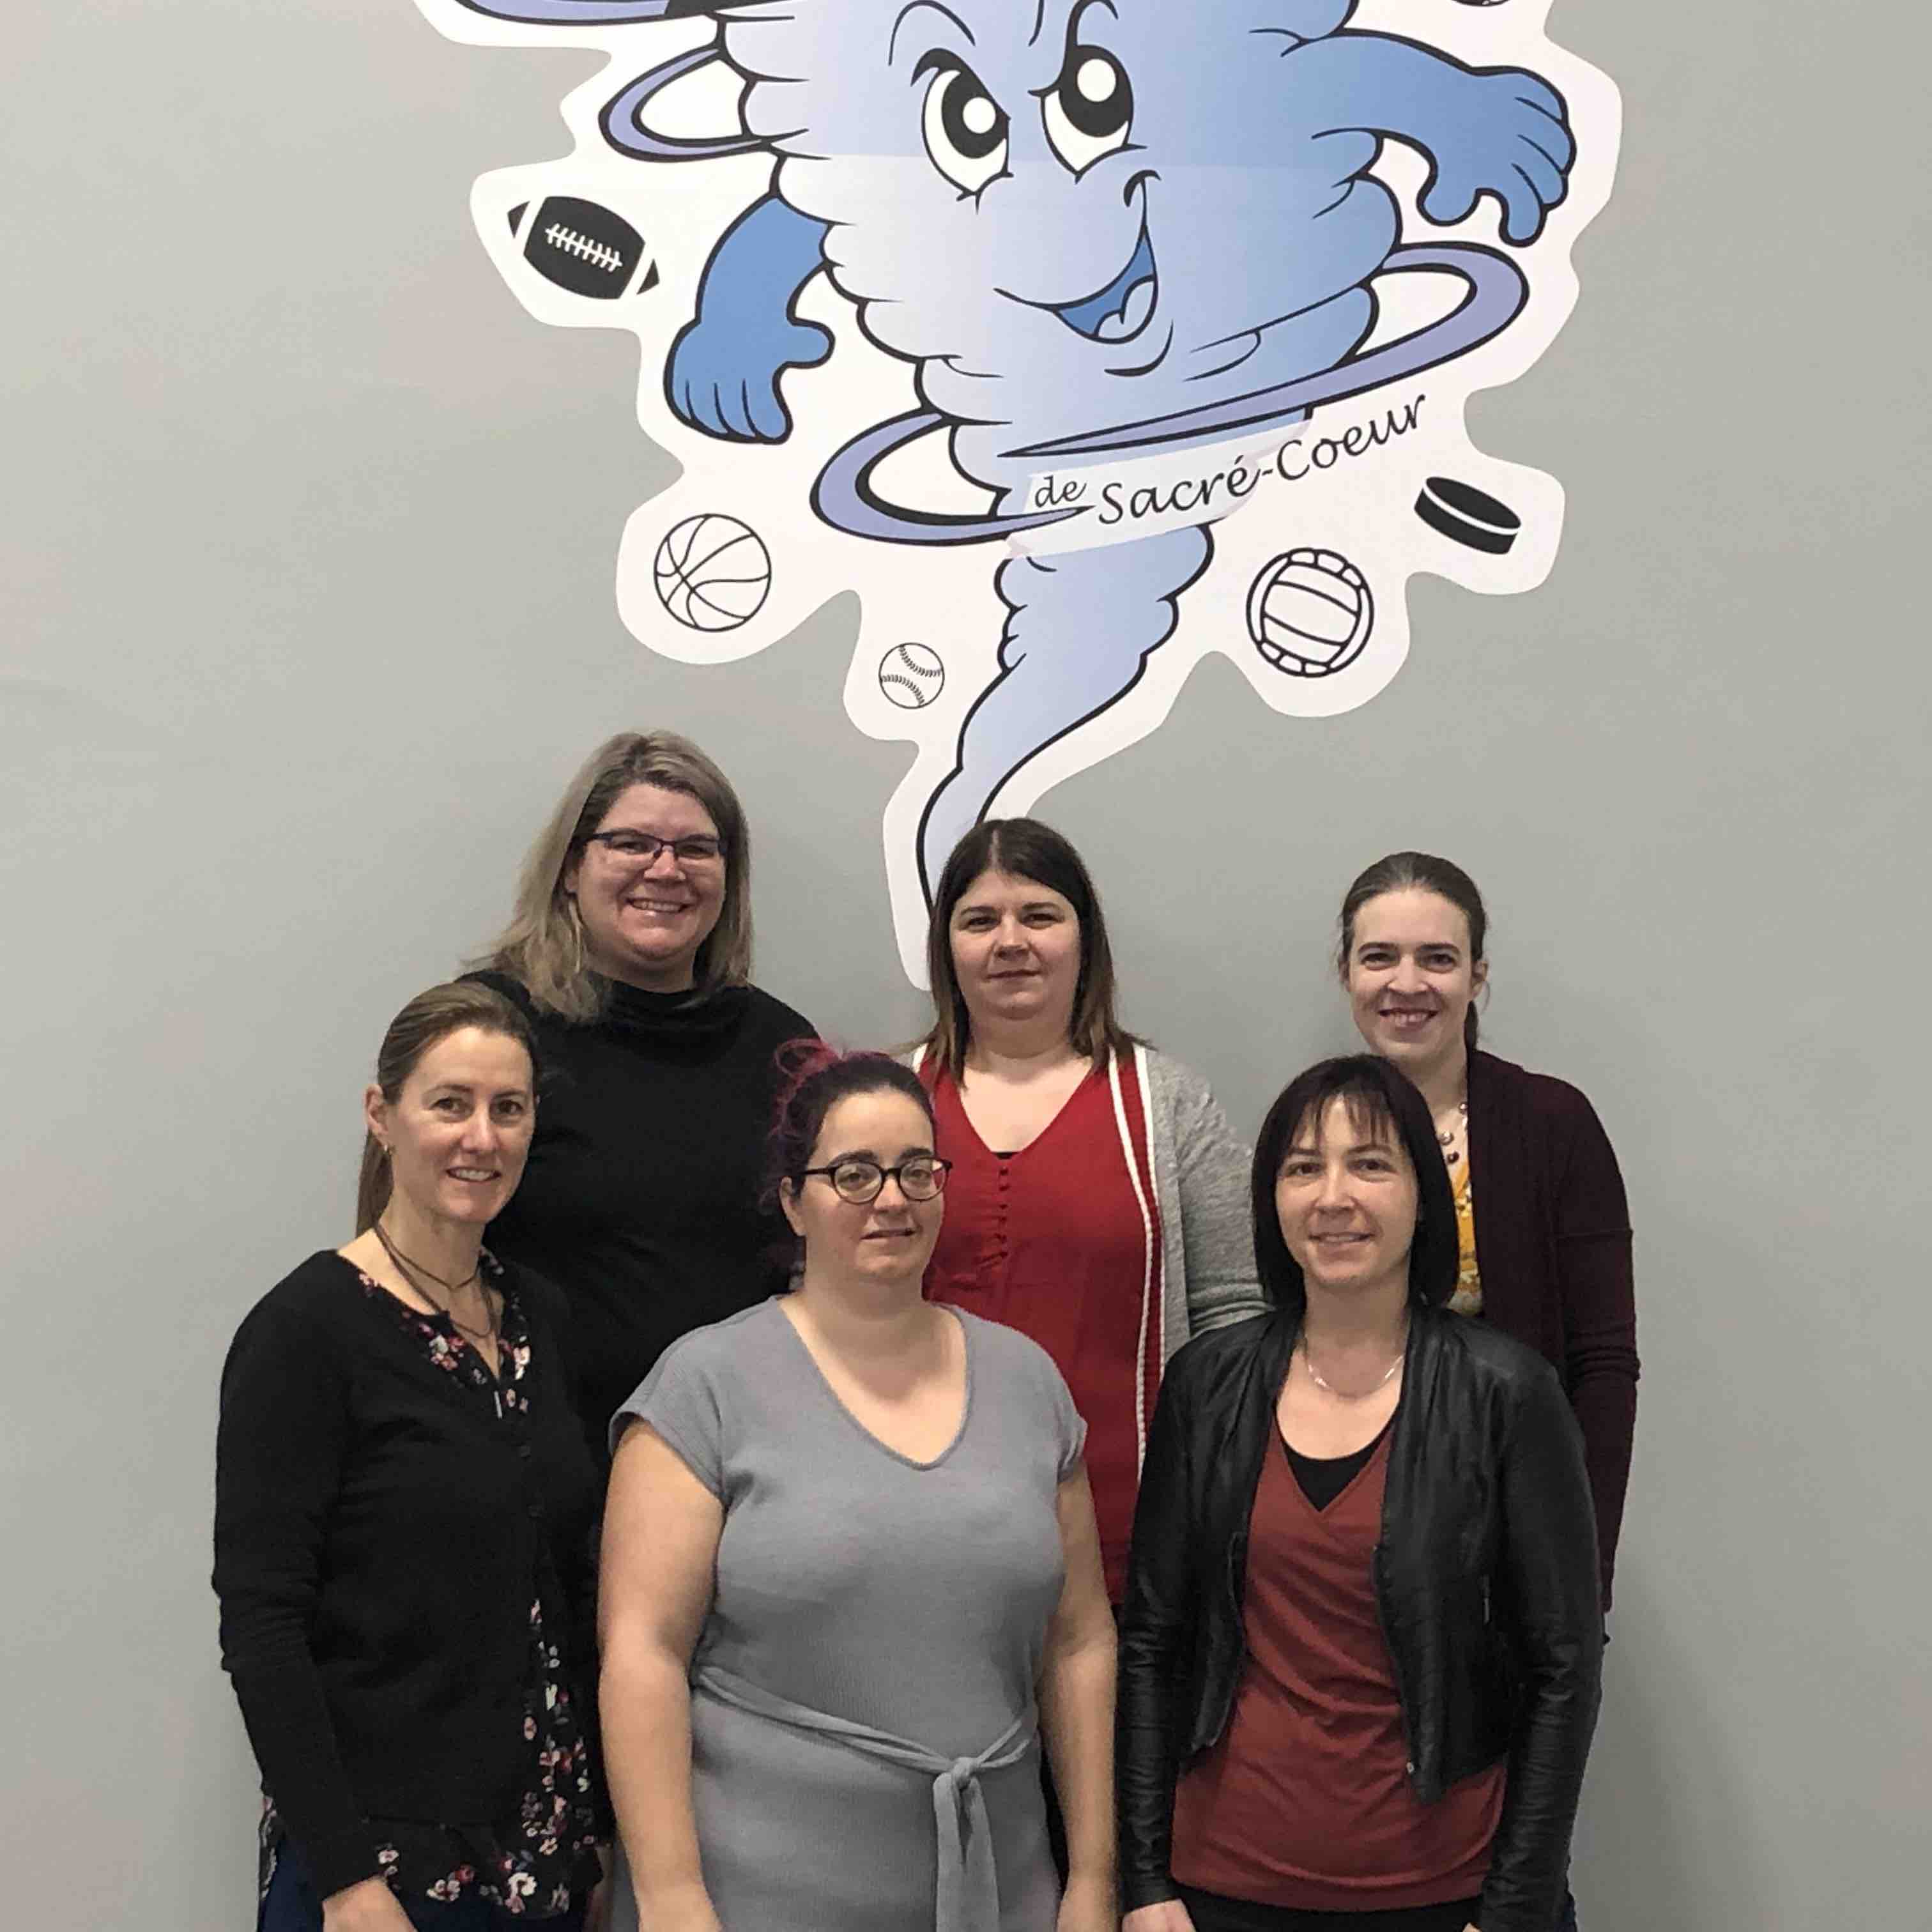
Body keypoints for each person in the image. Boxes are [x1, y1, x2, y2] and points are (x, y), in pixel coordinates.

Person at [598, 1048, 1118, 1932]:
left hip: (1003, 1892)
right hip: (756, 1900)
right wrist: (672, 1896)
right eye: (854, 1174)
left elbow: (1079, 1643)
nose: (892, 1199)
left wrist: (1094, 1880)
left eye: (917, 1170)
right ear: (793, 1201)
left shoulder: (1028, 1382)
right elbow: (643, 1654)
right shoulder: (706, 1386)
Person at [1117, 1055, 1602, 1932]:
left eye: (1370, 1164)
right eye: (1304, 1168)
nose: (1333, 1197)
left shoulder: (1507, 1392)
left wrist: (1514, 1911)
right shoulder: (1206, 1384)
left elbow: (1563, 1669)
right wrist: (1145, 1883)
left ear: (1423, 1195)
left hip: (1443, 1892)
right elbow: (1153, 1642)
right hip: (1219, 1889)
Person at [214, 982, 608, 1932]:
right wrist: (346, 1880)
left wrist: (592, 1831)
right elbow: (264, 1627)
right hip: (382, 1872)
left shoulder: (540, 1317)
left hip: (544, 1861)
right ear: (381, 1115)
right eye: (450, 1104)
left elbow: (567, 1589)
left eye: (508, 1109)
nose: (482, 1136)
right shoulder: (306, 1332)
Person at [912, 818, 1266, 1609]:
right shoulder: (890, 1102)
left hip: (1132, 1546)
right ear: (946, 948)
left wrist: (1210, 1500)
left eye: (1039, 916)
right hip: (920, 1539)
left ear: (1085, 938)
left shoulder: (1165, 1103)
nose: (1011, 942)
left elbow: (1236, 1318)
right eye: (980, 920)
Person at [468, 730, 815, 1462]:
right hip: (533, 1466)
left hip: (742, 1464)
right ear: (571, 867)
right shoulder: (490, 1031)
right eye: (631, 844)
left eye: (696, 849)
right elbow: (415, 1253)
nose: (666, 869)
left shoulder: (783, 1048)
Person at [1334, 853, 1637, 1616]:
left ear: (1477, 977)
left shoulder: (1554, 1123)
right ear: (1346, 975)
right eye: (1380, 957)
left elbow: (1603, 1366)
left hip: (1513, 1535)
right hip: (1342, 1536)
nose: (1407, 984)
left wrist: (1581, 1570)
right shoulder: (1320, 1129)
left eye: (1437, 959)